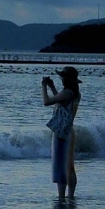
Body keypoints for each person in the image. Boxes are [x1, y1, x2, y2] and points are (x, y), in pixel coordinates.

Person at [41, 66, 81, 199]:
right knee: (69, 165)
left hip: (61, 133)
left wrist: (43, 87)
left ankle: (62, 196)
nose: (61, 79)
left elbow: (47, 102)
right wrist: (52, 88)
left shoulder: (67, 93)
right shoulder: (74, 93)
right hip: (69, 130)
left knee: (60, 165)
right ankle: (70, 195)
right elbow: (60, 101)